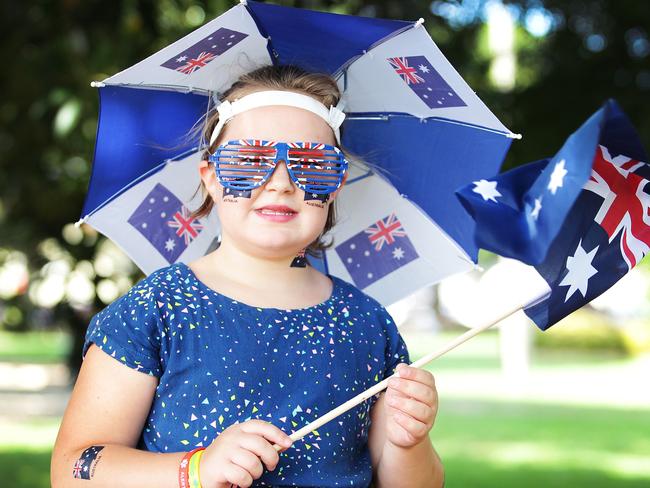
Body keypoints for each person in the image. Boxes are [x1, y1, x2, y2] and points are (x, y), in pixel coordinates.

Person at [51, 65, 444, 488]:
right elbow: (74, 469)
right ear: (212, 179)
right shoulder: (156, 309)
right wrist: (196, 469)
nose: (280, 182)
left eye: (311, 164)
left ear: (336, 186)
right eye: (249, 161)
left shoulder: (368, 324)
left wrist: (409, 443)